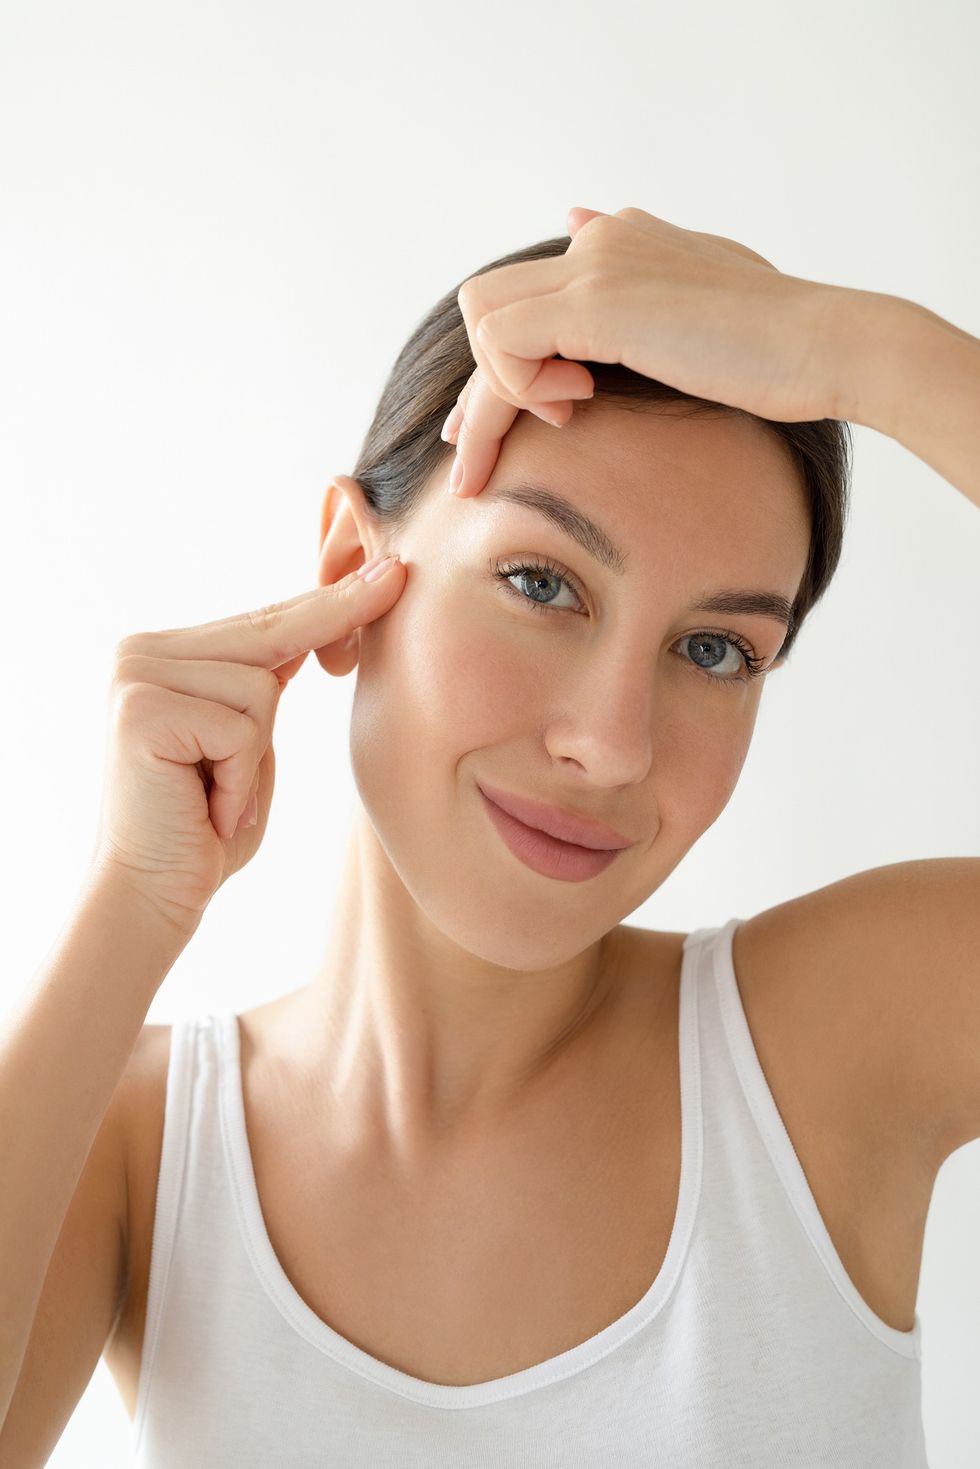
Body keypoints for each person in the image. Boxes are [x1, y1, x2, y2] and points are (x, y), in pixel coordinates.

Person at [2, 207, 977, 1467]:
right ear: (354, 569)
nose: (610, 742)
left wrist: (869, 353)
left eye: (714, 649)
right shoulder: (139, 1143)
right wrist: (130, 902)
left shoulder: (835, 1040)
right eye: (541, 582)